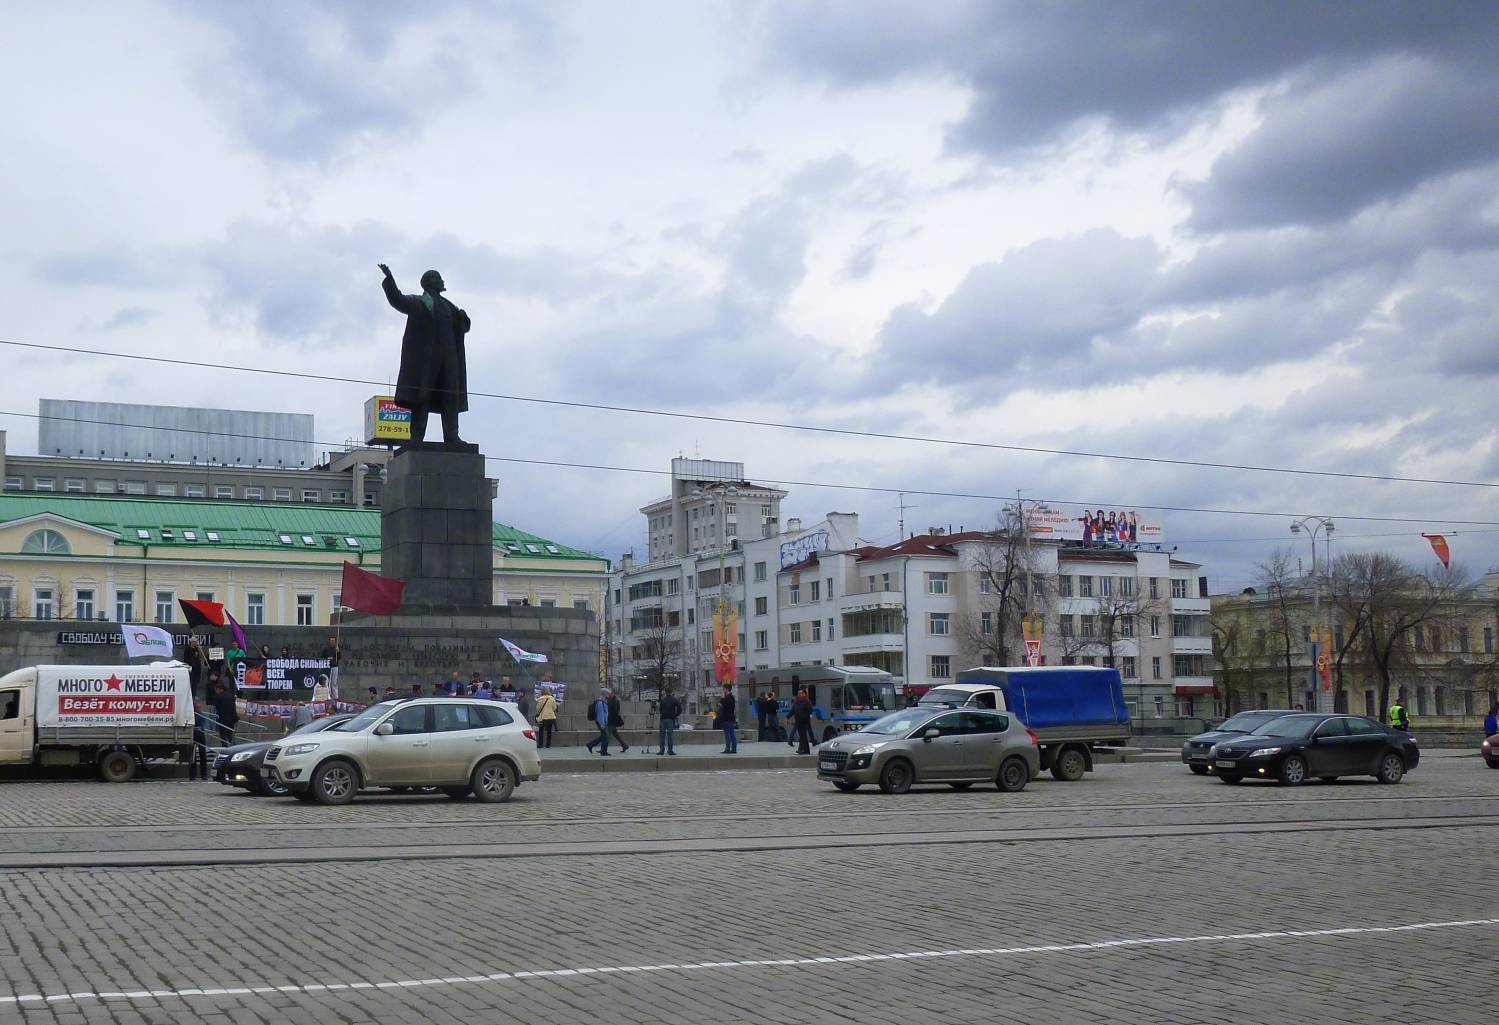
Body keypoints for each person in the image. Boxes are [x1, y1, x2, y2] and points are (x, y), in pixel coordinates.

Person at [379, 263, 471, 444]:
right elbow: (397, 299)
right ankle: (417, 437)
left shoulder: (449, 306)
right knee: (422, 396)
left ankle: (451, 435)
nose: (442, 280)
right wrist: (389, 279)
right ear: (429, 283)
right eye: (438, 278)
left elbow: (463, 328)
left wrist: (464, 320)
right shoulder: (418, 303)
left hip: (450, 357)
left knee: (450, 396)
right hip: (427, 359)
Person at [585, 689, 611, 755]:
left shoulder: (604, 701)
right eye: (608, 693)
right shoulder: (600, 702)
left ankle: (590, 745)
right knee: (605, 737)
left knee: (604, 736)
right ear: (604, 694)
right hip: (601, 722)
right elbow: (600, 714)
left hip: (603, 722)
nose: (609, 695)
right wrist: (602, 724)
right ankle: (603, 752)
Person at [212, 681, 238, 747]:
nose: (216, 691)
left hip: (223, 718)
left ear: (220, 689)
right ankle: (231, 745)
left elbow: (217, 708)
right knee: (230, 734)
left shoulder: (219, 697)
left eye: (216, 689)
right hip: (233, 717)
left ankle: (225, 746)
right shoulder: (230, 694)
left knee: (223, 734)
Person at [790, 689, 816, 754]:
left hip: (804, 721)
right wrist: (788, 716)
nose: (799, 695)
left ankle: (801, 750)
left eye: (801, 693)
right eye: (798, 693)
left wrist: (805, 717)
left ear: (804, 694)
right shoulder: (796, 702)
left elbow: (810, 711)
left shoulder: (807, 702)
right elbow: (793, 710)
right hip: (798, 721)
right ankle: (806, 751)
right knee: (802, 736)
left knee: (803, 736)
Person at [189, 701, 209, 780]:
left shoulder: (200, 714)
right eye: (197, 707)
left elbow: (201, 724)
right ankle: (194, 774)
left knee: (202, 754)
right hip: (195, 733)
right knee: (193, 755)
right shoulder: (197, 714)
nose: (198, 709)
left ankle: (202, 774)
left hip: (199, 734)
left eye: (198, 707)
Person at [658, 687, 681, 755]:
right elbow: (680, 708)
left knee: (662, 735)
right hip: (671, 719)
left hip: (663, 719)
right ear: (671, 692)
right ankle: (670, 750)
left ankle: (661, 750)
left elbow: (660, 709)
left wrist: (662, 714)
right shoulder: (674, 699)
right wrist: (675, 715)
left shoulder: (662, 700)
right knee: (670, 735)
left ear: (665, 692)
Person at [718, 685, 737, 754]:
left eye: (723, 689)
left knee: (727, 734)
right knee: (732, 733)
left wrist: (722, 697)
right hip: (731, 718)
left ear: (727, 689)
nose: (723, 690)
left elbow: (721, 704)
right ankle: (734, 748)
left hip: (726, 718)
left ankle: (728, 748)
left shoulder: (728, 698)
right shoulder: (732, 697)